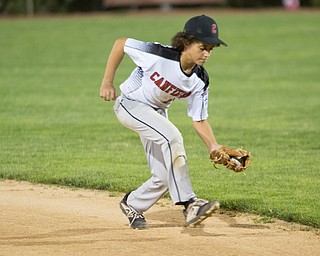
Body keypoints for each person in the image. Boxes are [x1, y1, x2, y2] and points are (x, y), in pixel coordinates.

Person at [100, 15, 227, 229]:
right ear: (186, 42)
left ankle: (132, 204)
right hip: (130, 105)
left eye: (211, 49)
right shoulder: (159, 54)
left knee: (165, 175)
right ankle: (189, 204)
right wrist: (107, 82)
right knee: (173, 138)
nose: (207, 54)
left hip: (155, 114)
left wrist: (213, 146)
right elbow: (121, 44)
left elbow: (200, 119)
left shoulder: (200, 80)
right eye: (203, 47)